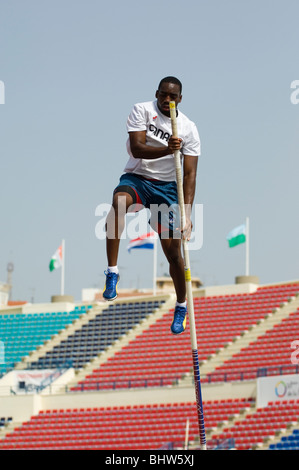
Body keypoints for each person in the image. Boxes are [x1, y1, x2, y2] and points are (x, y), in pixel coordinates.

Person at [103, 76, 201, 335]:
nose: (166, 100)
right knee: (118, 203)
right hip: (139, 177)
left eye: (172, 96)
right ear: (157, 93)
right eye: (162, 95)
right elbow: (137, 148)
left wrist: (187, 214)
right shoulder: (142, 110)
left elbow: (190, 175)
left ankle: (181, 305)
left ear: (180, 99)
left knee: (173, 254)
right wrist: (168, 150)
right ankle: (112, 272)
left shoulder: (189, 128)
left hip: (167, 188)